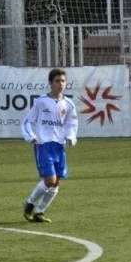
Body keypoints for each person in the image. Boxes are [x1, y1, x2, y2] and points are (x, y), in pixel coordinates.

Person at [21, 69, 78, 223]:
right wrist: (30, 136)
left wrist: (71, 137)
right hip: (43, 144)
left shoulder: (69, 104)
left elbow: (72, 124)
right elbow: (27, 121)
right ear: (51, 83)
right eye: (57, 81)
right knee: (50, 180)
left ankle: (40, 212)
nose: (61, 84)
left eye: (63, 81)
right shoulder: (41, 101)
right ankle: (30, 203)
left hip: (59, 146)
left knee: (57, 182)